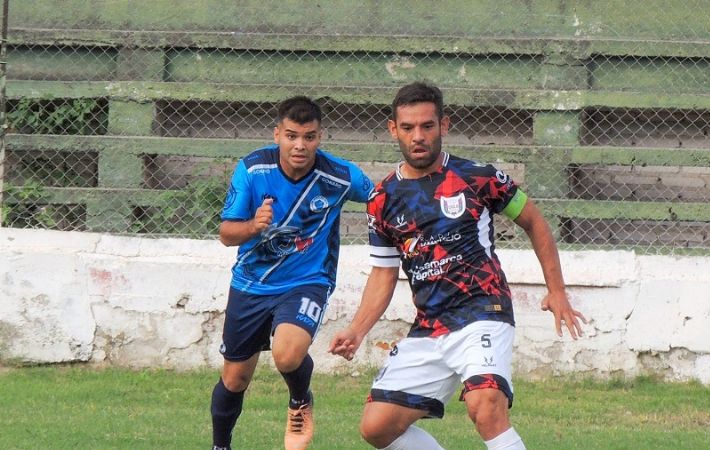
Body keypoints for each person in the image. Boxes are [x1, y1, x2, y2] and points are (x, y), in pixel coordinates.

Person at [329, 82, 587, 450]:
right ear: (393, 130)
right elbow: (384, 274)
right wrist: (357, 329)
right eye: (408, 128)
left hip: (483, 310)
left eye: (427, 126)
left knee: (486, 407)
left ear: (443, 125)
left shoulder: (477, 178)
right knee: (377, 427)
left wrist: (557, 290)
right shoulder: (381, 200)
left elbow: (534, 220)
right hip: (431, 326)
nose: (418, 137)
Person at [210, 95, 374, 450]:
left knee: (287, 353)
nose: (300, 145)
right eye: (291, 136)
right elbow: (226, 234)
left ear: (320, 137)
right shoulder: (253, 170)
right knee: (235, 379)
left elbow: (381, 197)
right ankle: (220, 446)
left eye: (309, 137)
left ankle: (300, 400)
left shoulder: (340, 176)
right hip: (251, 283)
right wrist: (254, 225)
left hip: (307, 281)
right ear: (277, 135)